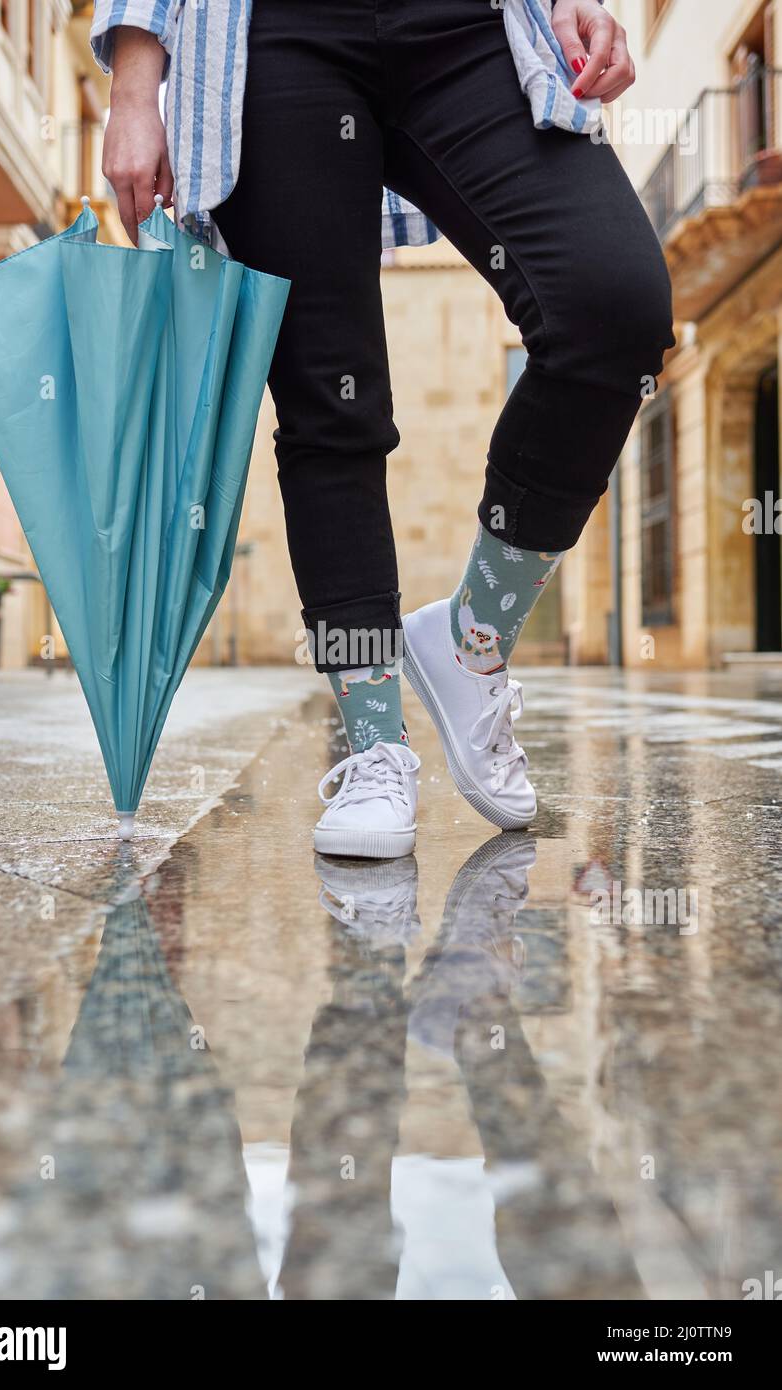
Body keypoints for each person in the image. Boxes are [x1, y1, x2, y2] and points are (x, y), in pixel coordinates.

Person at [92, 0, 674, 860]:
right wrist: (136, 85)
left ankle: (470, 640)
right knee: (329, 400)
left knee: (611, 306)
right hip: (275, 39)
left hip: (469, 28)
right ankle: (373, 747)